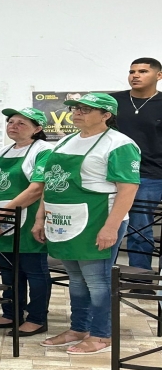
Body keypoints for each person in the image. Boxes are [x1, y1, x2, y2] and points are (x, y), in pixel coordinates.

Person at [33, 93, 140, 354]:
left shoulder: (119, 144)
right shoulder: (65, 141)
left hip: (98, 220)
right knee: (77, 280)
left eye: (86, 109)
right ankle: (79, 327)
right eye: (75, 108)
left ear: (106, 115)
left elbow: (128, 188)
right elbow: (51, 183)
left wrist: (111, 227)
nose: (77, 112)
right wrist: (40, 217)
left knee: (98, 281)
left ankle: (102, 335)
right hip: (65, 221)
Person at [0, 107, 53, 336]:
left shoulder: (43, 151)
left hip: (27, 219)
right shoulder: (4, 150)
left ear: (37, 129)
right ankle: (11, 313)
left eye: (22, 123)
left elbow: (36, 188)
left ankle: (37, 318)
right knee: (8, 271)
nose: (13, 125)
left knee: (34, 271)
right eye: (11, 121)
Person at [110, 58, 162, 275]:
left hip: (149, 175)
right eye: (132, 71)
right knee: (108, 223)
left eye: (143, 71)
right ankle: (105, 273)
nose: (135, 75)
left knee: (139, 228)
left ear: (158, 76)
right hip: (112, 174)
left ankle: (138, 279)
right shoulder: (114, 101)